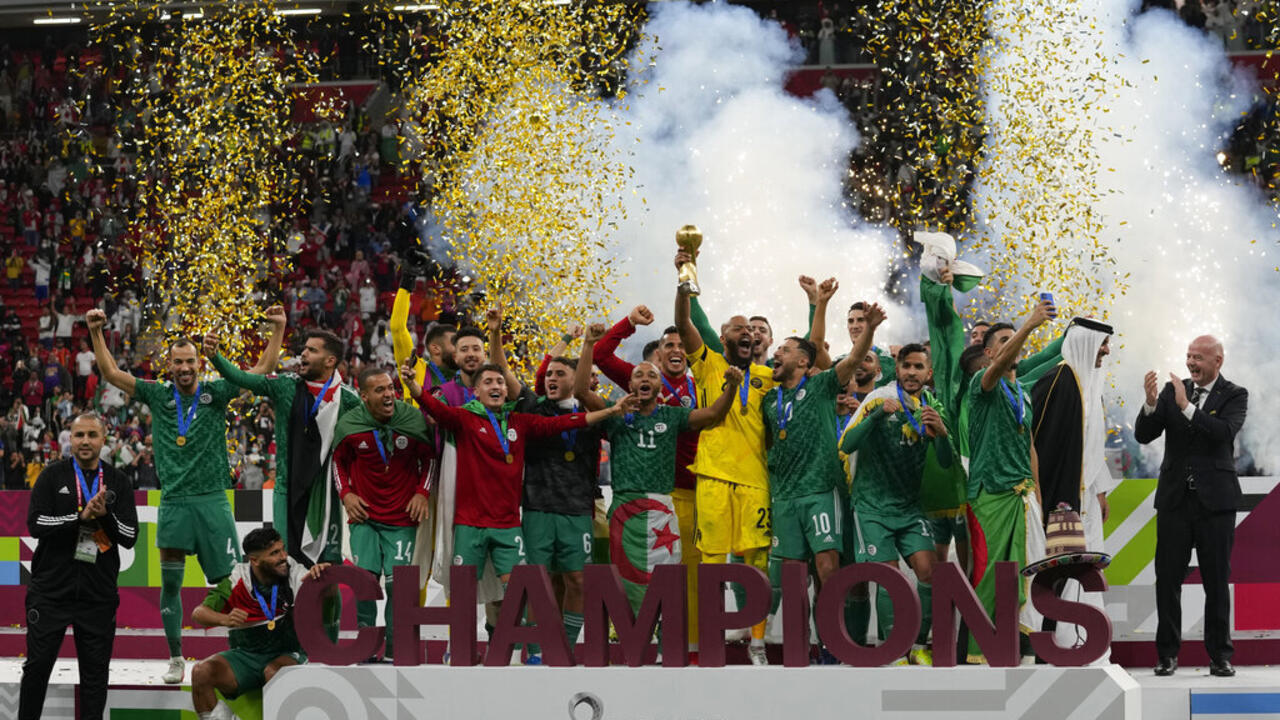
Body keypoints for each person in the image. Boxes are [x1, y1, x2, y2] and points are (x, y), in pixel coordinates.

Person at [87, 308, 279, 684]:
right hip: (174, 502)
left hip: (212, 500)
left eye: (190, 361)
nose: (185, 367)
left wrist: (278, 329)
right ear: (169, 365)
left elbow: (263, 370)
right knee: (171, 584)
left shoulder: (217, 391)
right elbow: (111, 373)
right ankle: (176, 658)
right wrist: (96, 331)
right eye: (178, 362)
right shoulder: (158, 394)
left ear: (199, 363)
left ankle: (245, 652)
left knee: (233, 583)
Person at [402, 360, 633, 661]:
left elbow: (565, 423)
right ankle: (458, 648)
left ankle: (531, 650)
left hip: (508, 526)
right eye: (488, 382)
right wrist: (413, 386)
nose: (496, 386)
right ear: (476, 391)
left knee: (522, 591)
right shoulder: (464, 419)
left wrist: (611, 412)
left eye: (500, 382)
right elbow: (435, 408)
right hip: (469, 524)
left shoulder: (520, 422)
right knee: (463, 591)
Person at [205, 320, 358, 645]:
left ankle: (328, 646)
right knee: (285, 567)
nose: (303, 354)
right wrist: (216, 357)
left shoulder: (349, 400)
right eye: (304, 349)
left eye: (311, 350)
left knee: (328, 574)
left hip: (326, 499)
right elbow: (243, 378)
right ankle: (291, 643)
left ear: (330, 360)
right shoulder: (286, 386)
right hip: (287, 494)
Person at [578, 325, 739, 621]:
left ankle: (667, 636)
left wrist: (732, 386)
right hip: (625, 510)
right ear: (629, 383)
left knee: (668, 581)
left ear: (660, 386)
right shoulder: (616, 415)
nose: (645, 379)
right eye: (638, 375)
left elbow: (714, 414)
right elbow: (580, 391)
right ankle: (631, 636)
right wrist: (588, 344)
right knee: (626, 582)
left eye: (652, 375)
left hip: (662, 510)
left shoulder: (673, 416)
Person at [765, 277, 880, 659]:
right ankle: (802, 649)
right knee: (794, 576)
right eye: (776, 350)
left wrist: (868, 329)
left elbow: (850, 361)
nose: (776, 353)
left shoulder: (821, 387)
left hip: (821, 489)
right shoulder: (769, 400)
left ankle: (834, 645)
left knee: (828, 569)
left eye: (784, 349)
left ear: (803, 361)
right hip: (785, 496)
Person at [673, 248, 777, 664]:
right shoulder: (708, 363)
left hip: (755, 480)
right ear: (723, 336)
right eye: (738, 328)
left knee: (756, 563)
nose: (747, 332)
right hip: (713, 476)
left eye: (752, 329)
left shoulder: (769, 377)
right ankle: (713, 639)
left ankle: (757, 643)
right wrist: (684, 279)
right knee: (713, 561)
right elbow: (684, 323)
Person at [591, 305, 704, 651]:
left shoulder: (701, 383)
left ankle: (686, 641)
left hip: (692, 490)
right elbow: (600, 354)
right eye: (669, 345)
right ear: (657, 355)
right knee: (631, 568)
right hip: (646, 491)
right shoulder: (641, 379)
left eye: (682, 346)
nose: (677, 350)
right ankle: (626, 628)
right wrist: (629, 323)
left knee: (682, 573)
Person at [1136, 335, 1247, 678]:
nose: (1191, 363)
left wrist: (1186, 407)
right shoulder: (1173, 390)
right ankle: (1167, 655)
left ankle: (1220, 656)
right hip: (1175, 502)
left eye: (1198, 357)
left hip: (1216, 503)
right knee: (1167, 580)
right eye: (1188, 356)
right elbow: (1144, 435)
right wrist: (1151, 404)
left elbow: (1222, 433)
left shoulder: (1235, 394)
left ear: (1218, 361)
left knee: (1216, 582)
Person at [21, 413, 137, 720]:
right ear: (70, 439)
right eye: (79, 435)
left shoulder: (118, 481)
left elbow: (129, 536)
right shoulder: (51, 476)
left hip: (97, 596)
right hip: (50, 593)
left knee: (95, 676)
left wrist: (105, 517)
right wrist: (80, 518)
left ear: (103, 440)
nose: (85, 441)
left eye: (92, 435)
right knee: (36, 668)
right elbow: (36, 524)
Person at [964, 297, 1054, 663]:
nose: (1011, 345)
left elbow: (1029, 446)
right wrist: (1029, 324)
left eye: (1013, 339)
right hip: (991, 494)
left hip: (1023, 495)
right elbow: (998, 368)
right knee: (990, 573)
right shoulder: (981, 383)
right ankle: (979, 651)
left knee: (1030, 571)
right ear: (988, 353)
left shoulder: (1022, 393)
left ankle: (1021, 643)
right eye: (1003, 340)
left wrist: (1039, 497)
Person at [331, 365, 433, 661]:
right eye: (380, 390)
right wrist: (346, 494)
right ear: (364, 396)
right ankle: (365, 647)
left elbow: (430, 460)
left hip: (402, 518)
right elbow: (338, 463)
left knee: (399, 586)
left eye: (391, 388)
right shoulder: (350, 425)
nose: (389, 394)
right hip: (364, 517)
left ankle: (393, 650)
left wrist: (422, 492)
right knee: (365, 582)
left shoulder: (412, 420)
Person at [1030, 317, 1116, 660]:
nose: (1106, 351)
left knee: (1080, 572)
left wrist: (1099, 488)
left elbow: (1090, 444)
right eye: (1102, 344)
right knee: (1057, 571)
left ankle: (1079, 643)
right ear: (1085, 343)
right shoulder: (1056, 381)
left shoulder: (1088, 382)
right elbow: (1037, 444)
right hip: (1058, 497)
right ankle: (1050, 644)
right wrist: (1048, 498)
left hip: (1083, 497)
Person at [514, 351, 605, 664]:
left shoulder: (594, 411)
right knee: (536, 582)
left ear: (576, 379)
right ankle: (536, 650)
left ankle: (565, 646)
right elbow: (505, 373)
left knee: (578, 580)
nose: (551, 378)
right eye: (549, 374)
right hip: (538, 506)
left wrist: (589, 345)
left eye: (559, 374)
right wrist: (496, 335)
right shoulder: (533, 406)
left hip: (577, 508)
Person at [190, 527, 331, 720]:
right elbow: (198, 613)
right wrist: (225, 619)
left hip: (288, 653)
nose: (283, 556)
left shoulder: (294, 571)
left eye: (282, 549)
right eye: (274, 553)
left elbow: (323, 595)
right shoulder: (238, 578)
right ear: (254, 560)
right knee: (201, 672)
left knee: (273, 672)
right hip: (246, 656)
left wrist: (325, 580)